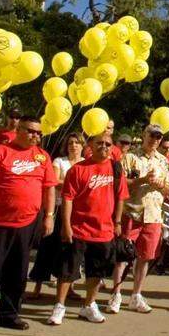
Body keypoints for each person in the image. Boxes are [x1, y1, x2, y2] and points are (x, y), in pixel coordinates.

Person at [0, 116, 56, 335]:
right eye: (31, 131)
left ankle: (9, 314)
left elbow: (49, 188)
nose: (35, 136)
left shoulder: (42, 157)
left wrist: (49, 216)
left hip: (26, 223)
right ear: (19, 130)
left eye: (39, 133)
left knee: (18, 271)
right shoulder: (0, 152)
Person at [46, 134, 126, 325]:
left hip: (104, 231)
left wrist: (117, 222)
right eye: (99, 143)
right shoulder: (78, 169)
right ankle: (59, 306)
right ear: (90, 145)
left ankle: (89, 305)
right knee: (67, 270)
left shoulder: (115, 169)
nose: (104, 147)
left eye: (108, 144)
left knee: (96, 272)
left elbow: (121, 197)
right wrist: (66, 226)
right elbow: (67, 198)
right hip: (79, 228)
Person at [107, 124, 169, 314]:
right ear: (144, 135)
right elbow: (120, 183)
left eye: (158, 137)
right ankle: (116, 294)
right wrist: (142, 181)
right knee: (123, 256)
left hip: (153, 214)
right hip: (132, 212)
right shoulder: (130, 157)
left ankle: (136, 295)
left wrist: (160, 185)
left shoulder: (163, 161)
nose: (154, 140)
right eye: (151, 135)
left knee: (145, 257)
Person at [28, 133, 85, 299]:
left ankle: (70, 287)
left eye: (77, 143)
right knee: (47, 248)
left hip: (77, 211)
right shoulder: (59, 161)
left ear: (82, 146)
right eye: (70, 143)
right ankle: (37, 287)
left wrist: (68, 184)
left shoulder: (84, 164)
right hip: (59, 208)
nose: (73, 146)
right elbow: (54, 181)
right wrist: (75, 185)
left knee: (71, 251)